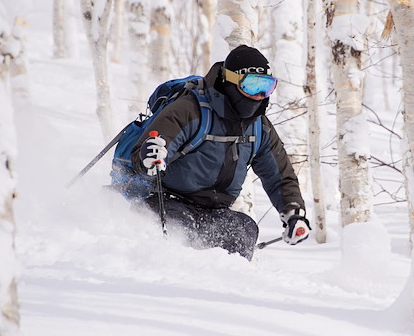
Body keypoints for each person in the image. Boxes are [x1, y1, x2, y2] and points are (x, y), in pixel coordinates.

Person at [111, 45, 310, 260]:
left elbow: (279, 177)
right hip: (165, 200)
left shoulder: (259, 127)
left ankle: (230, 283)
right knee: (184, 230)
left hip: (214, 209)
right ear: (232, 81)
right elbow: (149, 147)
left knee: (243, 229)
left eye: (267, 87)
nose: (260, 96)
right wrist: (152, 155)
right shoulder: (191, 109)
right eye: (252, 86)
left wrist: (293, 212)